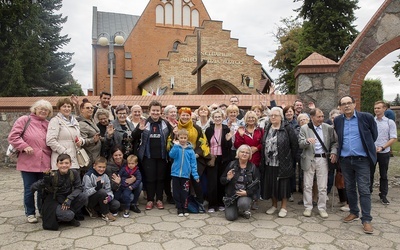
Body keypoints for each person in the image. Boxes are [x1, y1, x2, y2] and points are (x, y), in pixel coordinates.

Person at [334, 95, 378, 234]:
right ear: (340, 107)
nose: (346, 106)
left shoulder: (366, 117)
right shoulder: (338, 120)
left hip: (362, 160)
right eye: (343, 104)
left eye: (349, 103)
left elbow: (373, 135)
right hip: (346, 160)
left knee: (364, 189)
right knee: (350, 188)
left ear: (354, 104)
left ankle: (366, 220)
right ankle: (354, 212)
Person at [8, 100, 53, 223]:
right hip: (28, 162)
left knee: (42, 189)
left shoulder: (48, 124)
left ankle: (42, 211)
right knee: (29, 189)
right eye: (41, 108)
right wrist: (24, 146)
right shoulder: (24, 120)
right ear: (35, 109)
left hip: (45, 162)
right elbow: (13, 136)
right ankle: (30, 213)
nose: (43, 111)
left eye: (46, 110)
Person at [133, 100, 173, 210]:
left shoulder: (165, 123)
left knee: (160, 179)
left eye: (157, 111)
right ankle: (150, 200)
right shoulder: (144, 122)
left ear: (161, 111)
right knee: (150, 179)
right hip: (148, 156)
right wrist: (138, 130)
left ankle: (159, 199)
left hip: (162, 156)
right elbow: (134, 136)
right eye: (153, 110)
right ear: (149, 111)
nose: (155, 113)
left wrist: (176, 131)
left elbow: (173, 135)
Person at [298, 108, 338, 218]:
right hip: (309, 158)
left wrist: (334, 152)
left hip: (323, 159)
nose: (321, 119)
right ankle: (308, 207)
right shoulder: (304, 128)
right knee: (307, 185)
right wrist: (306, 141)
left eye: (322, 116)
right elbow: (300, 144)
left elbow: (335, 143)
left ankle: (322, 207)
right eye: (318, 117)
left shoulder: (328, 128)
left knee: (322, 185)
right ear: (312, 117)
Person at [31, 154, 87, 230]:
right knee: (68, 215)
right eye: (61, 163)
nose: (64, 165)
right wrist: (45, 181)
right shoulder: (53, 175)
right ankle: (67, 217)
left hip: (67, 200)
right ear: (57, 164)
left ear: (70, 164)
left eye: (66, 163)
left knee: (83, 196)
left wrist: (69, 199)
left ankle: (68, 216)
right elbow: (33, 187)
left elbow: (79, 188)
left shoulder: (74, 173)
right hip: (55, 202)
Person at [261, 107, 298, 218]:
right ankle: (274, 205)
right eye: (271, 115)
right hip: (269, 162)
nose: (273, 117)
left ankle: (283, 207)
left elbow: (294, 145)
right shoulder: (268, 127)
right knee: (272, 184)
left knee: (283, 185)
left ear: (281, 117)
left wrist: (289, 159)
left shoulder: (287, 128)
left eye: (275, 115)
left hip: (283, 162)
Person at [172, 107, 210, 211]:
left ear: (190, 116)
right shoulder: (175, 128)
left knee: (195, 179)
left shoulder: (197, 128)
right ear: (179, 116)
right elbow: (170, 143)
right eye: (183, 115)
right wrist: (174, 136)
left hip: (196, 158)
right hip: (180, 160)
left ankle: (200, 201)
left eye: (187, 115)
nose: (185, 117)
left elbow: (203, 142)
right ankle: (182, 202)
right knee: (181, 181)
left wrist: (197, 153)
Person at [220, 144, 260, 221]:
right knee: (231, 217)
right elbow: (222, 180)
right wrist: (228, 178)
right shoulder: (231, 164)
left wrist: (247, 193)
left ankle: (244, 209)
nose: (244, 154)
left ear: (250, 155)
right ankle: (235, 208)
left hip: (244, 195)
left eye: (247, 153)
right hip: (232, 195)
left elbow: (257, 184)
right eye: (242, 152)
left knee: (243, 204)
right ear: (238, 153)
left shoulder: (253, 167)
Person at [234, 111, 264, 209]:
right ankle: (244, 198)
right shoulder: (241, 130)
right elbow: (237, 145)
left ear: (256, 119)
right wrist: (242, 136)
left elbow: (264, 142)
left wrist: (257, 148)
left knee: (256, 180)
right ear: (246, 119)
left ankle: (255, 200)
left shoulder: (260, 130)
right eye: (249, 118)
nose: (251, 119)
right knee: (245, 179)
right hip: (244, 160)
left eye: (253, 118)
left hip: (257, 159)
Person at [205, 109, 233, 212]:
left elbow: (228, 147)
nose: (217, 119)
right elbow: (206, 143)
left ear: (223, 118)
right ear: (213, 118)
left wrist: (228, 140)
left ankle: (221, 203)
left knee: (221, 181)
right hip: (212, 158)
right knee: (212, 182)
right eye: (215, 117)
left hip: (223, 159)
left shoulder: (226, 129)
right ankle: (212, 205)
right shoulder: (209, 130)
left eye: (219, 117)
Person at [169, 129, 200, 216]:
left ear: (187, 138)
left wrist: (195, 175)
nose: (182, 139)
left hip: (185, 175)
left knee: (184, 192)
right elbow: (171, 155)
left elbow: (193, 164)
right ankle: (179, 207)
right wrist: (175, 146)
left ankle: (185, 208)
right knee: (176, 192)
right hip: (175, 174)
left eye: (184, 138)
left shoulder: (190, 151)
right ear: (178, 137)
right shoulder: (176, 147)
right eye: (181, 138)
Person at [46, 98, 84, 170]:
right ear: (59, 108)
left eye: (69, 106)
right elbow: (50, 140)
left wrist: (81, 141)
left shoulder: (74, 121)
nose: (67, 108)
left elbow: (79, 136)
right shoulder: (55, 121)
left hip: (74, 161)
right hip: (61, 161)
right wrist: (64, 152)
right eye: (64, 106)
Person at [372, 100, 397, 205]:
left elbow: (393, 138)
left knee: (384, 175)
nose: (376, 110)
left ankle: (383, 195)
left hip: (384, 151)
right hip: (372, 152)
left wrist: (382, 147)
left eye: (379, 108)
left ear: (384, 109)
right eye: (375, 108)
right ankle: (367, 193)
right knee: (369, 174)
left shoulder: (389, 122)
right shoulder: (372, 121)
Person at [82, 156, 120, 221]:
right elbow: (85, 193)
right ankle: (105, 213)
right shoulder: (88, 176)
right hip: (90, 199)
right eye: (99, 167)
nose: (101, 169)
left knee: (116, 204)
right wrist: (96, 188)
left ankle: (97, 210)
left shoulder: (105, 176)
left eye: (103, 167)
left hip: (102, 199)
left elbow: (108, 190)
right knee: (101, 191)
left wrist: (109, 197)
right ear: (94, 166)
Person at [78, 99, 101, 170]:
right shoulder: (81, 124)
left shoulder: (91, 120)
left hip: (96, 156)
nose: (90, 109)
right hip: (89, 158)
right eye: (88, 108)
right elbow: (82, 141)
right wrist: (93, 140)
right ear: (82, 110)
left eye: (91, 108)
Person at [283, 105, 300, 201]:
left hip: (293, 151)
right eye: (287, 112)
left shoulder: (297, 123)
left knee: (292, 172)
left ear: (293, 112)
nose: (289, 113)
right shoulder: (282, 123)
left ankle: (290, 192)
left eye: (290, 111)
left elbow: (296, 137)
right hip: (283, 151)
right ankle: (284, 192)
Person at [163, 104, 178, 204]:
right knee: (167, 176)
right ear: (166, 114)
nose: (173, 114)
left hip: (176, 154)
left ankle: (176, 194)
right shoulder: (164, 124)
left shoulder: (178, 124)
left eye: (174, 112)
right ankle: (169, 195)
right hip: (166, 153)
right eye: (171, 112)